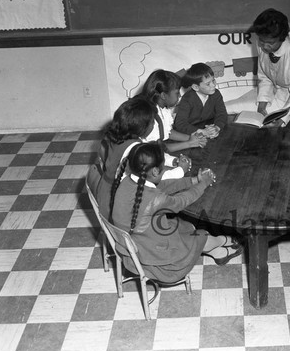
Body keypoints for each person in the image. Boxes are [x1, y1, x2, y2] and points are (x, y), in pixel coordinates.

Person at [109, 143, 243, 283]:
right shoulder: (155, 199)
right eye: (162, 169)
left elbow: (161, 186)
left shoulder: (126, 181)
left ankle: (219, 253)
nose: (163, 172)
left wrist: (194, 180)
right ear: (155, 171)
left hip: (136, 246)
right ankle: (222, 240)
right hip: (157, 261)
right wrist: (202, 184)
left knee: (184, 229)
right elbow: (181, 201)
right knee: (200, 235)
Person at [225, 8, 290, 127]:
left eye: (270, 42)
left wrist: (282, 119)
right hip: (270, 90)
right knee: (227, 108)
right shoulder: (262, 44)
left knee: (271, 124)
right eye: (261, 40)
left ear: (282, 37)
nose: (264, 46)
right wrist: (262, 103)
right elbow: (264, 77)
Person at [93, 96, 156, 221]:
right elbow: (151, 176)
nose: (154, 124)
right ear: (142, 127)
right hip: (118, 204)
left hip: (105, 193)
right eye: (153, 121)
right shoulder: (136, 148)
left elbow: (103, 155)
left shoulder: (114, 136)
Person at [142, 69, 207, 179]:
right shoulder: (149, 117)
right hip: (145, 164)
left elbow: (167, 132)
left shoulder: (161, 108)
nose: (180, 96)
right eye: (177, 93)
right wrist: (189, 144)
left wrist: (190, 138)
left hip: (157, 156)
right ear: (163, 95)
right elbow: (157, 149)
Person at [173, 63, 228, 138]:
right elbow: (180, 123)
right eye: (208, 84)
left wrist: (216, 128)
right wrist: (202, 132)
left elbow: (222, 114)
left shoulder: (216, 94)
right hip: (189, 132)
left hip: (208, 125)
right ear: (196, 87)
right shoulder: (187, 99)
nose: (213, 85)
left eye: (213, 80)